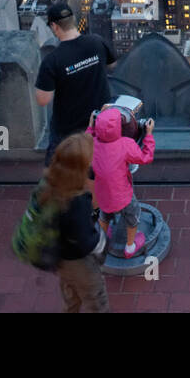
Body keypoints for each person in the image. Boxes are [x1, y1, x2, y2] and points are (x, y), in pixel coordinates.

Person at [34, 1, 116, 164]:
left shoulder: (53, 60)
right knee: (96, 171)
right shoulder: (97, 42)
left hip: (68, 131)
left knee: (58, 175)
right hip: (100, 123)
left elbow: (43, 100)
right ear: (73, 21)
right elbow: (112, 64)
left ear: (54, 27)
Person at [41, 132, 109, 313]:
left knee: (71, 298)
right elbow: (84, 240)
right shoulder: (79, 201)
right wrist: (101, 241)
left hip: (61, 260)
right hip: (80, 263)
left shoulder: (51, 189)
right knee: (96, 300)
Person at [88, 107, 155, 258]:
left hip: (102, 193)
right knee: (133, 216)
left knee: (105, 214)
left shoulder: (92, 143)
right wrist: (148, 134)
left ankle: (102, 241)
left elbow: (87, 137)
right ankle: (130, 247)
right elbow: (146, 157)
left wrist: (91, 126)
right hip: (123, 195)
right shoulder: (126, 144)